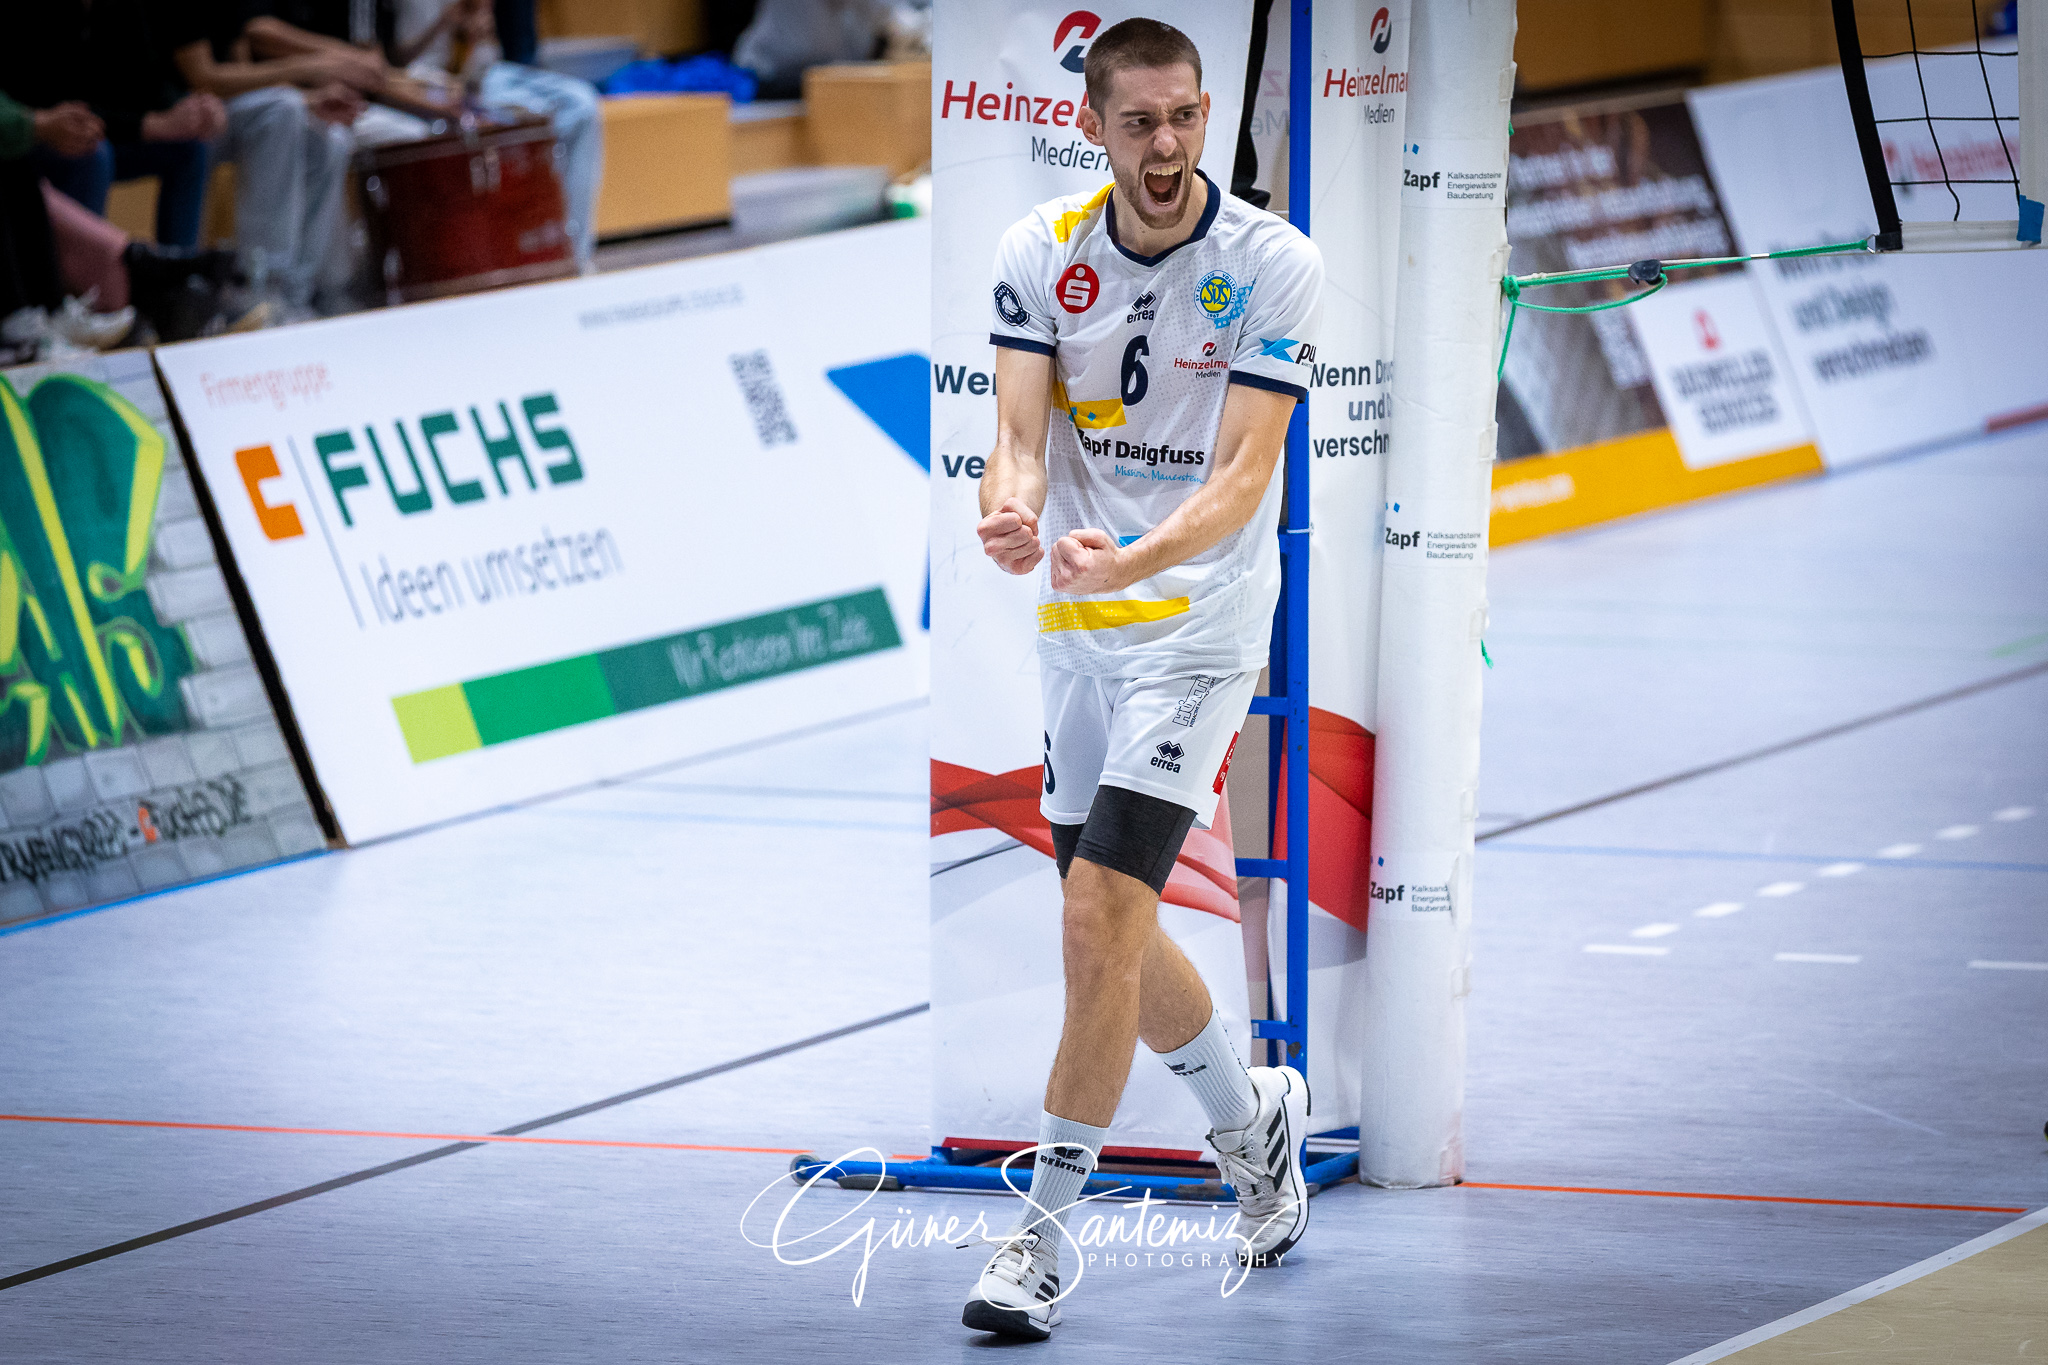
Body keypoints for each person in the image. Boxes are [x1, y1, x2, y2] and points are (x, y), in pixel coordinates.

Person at [964, 17, 1324, 1342]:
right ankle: (1253, 1124)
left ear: (1205, 116)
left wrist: (1140, 560)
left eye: (1184, 119)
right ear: (1096, 128)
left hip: (1199, 624)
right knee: (1101, 913)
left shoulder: (1273, 264)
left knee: (1096, 914)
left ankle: (1041, 1244)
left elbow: (1240, 481)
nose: (1165, 146)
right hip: (1083, 622)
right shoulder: (1040, 254)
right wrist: (1010, 514)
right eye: (1139, 123)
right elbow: (1015, 435)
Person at [245, 0, 604, 272]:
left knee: (579, 106)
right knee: (425, 138)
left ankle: (571, 260)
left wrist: (468, 32)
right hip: (399, 89)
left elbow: (377, 62)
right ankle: (422, 273)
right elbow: (384, 66)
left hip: (458, 82)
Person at [166, 2, 364, 313]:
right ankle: (259, 288)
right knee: (282, 111)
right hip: (174, 116)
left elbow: (245, 76)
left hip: (226, 113)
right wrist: (308, 67)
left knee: (332, 139)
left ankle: (298, 295)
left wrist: (310, 100)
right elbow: (203, 78)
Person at [0, 0, 226, 251]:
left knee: (189, 147)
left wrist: (194, 110)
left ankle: (180, 271)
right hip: (30, 136)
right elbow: (49, 103)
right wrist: (147, 125)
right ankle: (86, 282)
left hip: (102, 127)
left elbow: (148, 80)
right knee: (92, 152)